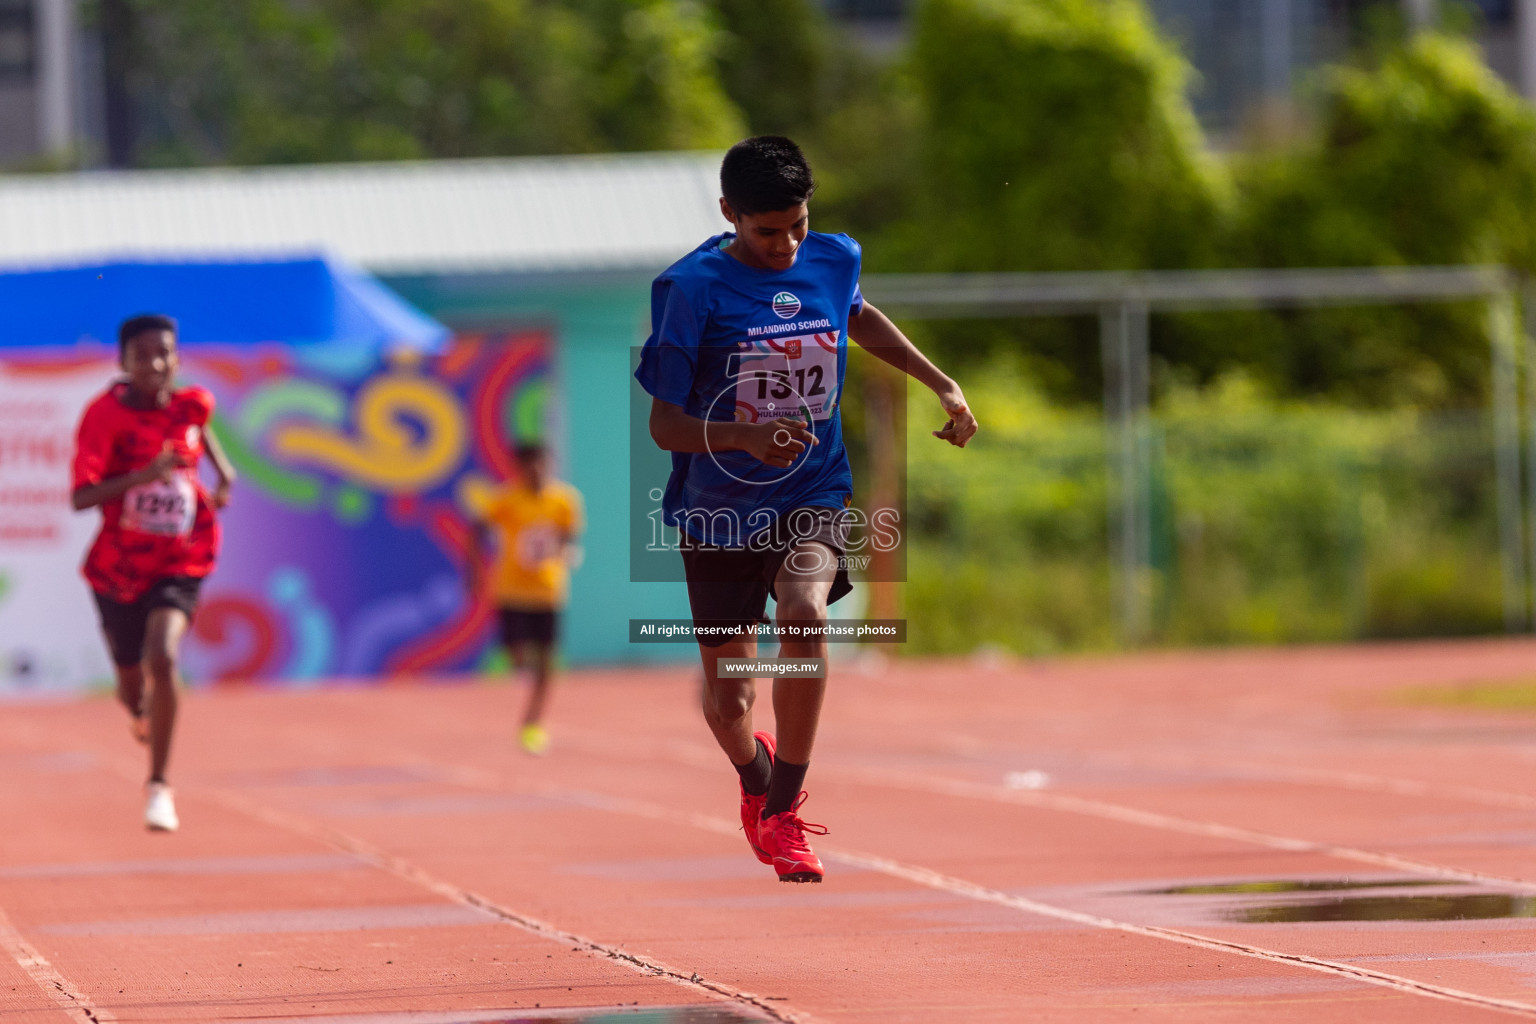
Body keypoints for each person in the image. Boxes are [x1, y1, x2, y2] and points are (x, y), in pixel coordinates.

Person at [635, 136, 977, 883]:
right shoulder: (690, 291)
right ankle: (756, 784)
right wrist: (742, 437)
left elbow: (856, 314)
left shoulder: (834, 257)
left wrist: (941, 381)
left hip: (811, 489)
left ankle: (785, 812)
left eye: (797, 223)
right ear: (729, 214)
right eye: (767, 232)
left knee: (805, 614)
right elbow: (664, 425)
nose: (788, 244)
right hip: (718, 509)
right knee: (728, 703)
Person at [70, 313, 236, 832]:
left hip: (181, 557)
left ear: (177, 359)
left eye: (164, 353)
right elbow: (80, 497)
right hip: (118, 567)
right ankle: (141, 713)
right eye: (143, 356)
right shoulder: (103, 417)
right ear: (124, 363)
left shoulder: (193, 404)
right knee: (130, 684)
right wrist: (143, 477)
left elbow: (200, 431)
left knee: (163, 655)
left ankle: (158, 786)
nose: (156, 364)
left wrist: (225, 474)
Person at [467, 442, 584, 756]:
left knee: (546, 661)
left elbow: (569, 535)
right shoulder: (505, 499)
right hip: (513, 591)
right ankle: (517, 663)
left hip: (548, 592)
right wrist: (474, 572)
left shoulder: (565, 501)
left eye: (542, 463)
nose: (537, 470)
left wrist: (566, 551)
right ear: (518, 468)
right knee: (516, 656)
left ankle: (533, 722)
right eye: (529, 464)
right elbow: (477, 530)